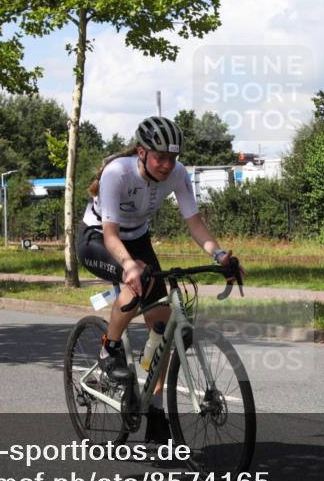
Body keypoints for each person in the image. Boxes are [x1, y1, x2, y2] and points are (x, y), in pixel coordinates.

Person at [77, 115, 244, 443]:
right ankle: (107, 351)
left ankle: (153, 408)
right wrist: (128, 265)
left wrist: (220, 255)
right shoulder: (117, 173)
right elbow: (111, 234)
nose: (168, 165)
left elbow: (194, 222)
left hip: (138, 239)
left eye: (173, 158)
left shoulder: (178, 174)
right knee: (136, 284)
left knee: (164, 325)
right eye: (160, 157)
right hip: (99, 239)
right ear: (141, 152)